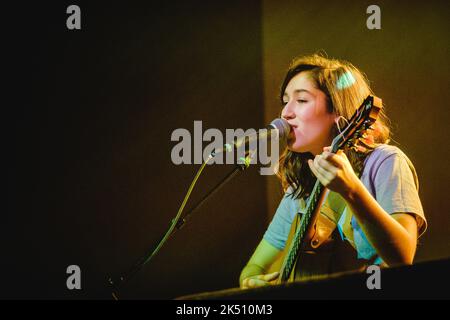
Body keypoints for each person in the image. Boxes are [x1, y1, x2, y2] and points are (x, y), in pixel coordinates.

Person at [239, 53, 427, 289]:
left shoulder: (385, 161)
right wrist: (251, 281)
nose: (285, 112)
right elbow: (254, 268)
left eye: (302, 100)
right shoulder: (302, 183)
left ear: (338, 113)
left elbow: (403, 257)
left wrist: (352, 190)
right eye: (285, 101)